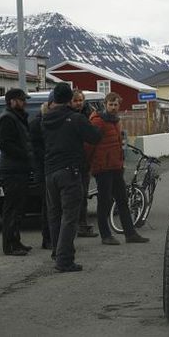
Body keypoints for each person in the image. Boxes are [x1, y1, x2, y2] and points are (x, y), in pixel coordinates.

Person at [42, 83, 102, 272]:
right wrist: (91, 118)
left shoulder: (45, 119)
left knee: (55, 215)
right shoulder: (75, 118)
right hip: (70, 171)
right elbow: (94, 137)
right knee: (70, 216)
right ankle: (65, 260)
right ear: (69, 99)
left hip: (50, 172)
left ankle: (56, 252)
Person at [86, 92, 148, 245]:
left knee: (122, 200)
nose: (113, 108)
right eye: (111, 105)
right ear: (105, 105)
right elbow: (89, 144)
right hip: (103, 167)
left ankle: (130, 233)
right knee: (104, 202)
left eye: (116, 105)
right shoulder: (98, 121)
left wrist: (121, 162)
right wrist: (88, 164)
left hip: (115, 166)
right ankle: (105, 235)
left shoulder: (115, 121)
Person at [0, 88, 33, 256]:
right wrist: (25, 155)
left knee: (19, 208)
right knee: (11, 208)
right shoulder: (7, 118)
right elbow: (5, 144)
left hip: (20, 168)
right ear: (12, 101)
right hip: (12, 169)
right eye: (20, 99)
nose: (24, 102)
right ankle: (9, 245)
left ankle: (16, 241)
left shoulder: (18, 117)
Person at [69, 89, 98, 238]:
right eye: (76, 100)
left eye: (81, 100)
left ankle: (82, 224)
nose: (79, 103)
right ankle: (75, 226)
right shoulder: (68, 116)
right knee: (74, 197)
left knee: (83, 195)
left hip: (84, 162)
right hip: (71, 163)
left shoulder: (90, 114)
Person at [29, 99, 52, 250]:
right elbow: (36, 150)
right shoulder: (37, 125)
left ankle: (51, 238)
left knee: (50, 205)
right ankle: (48, 238)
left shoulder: (39, 123)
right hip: (44, 169)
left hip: (47, 168)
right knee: (48, 205)